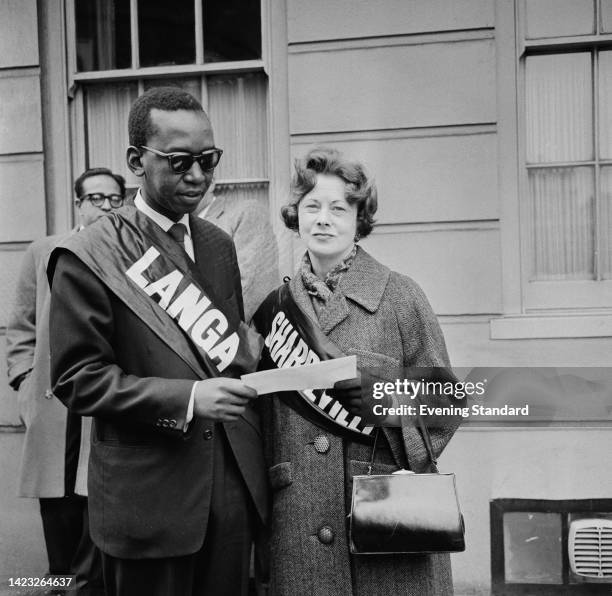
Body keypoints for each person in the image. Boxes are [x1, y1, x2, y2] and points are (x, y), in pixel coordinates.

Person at [47, 87, 267, 596]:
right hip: (148, 501)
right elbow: (77, 380)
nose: (197, 175)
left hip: (229, 494)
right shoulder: (90, 253)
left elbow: (224, 353)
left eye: (208, 160)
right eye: (179, 161)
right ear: (136, 162)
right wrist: (188, 399)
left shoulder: (218, 245)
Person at [252, 147, 462, 595]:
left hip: (388, 519)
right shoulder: (273, 310)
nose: (323, 219)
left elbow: (449, 404)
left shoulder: (401, 297)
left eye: (338, 207)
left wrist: (385, 399)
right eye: (312, 206)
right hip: (299, 522)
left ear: (358, 217)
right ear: (296, 215)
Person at [6, 166, 126, 595]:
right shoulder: (46, 251)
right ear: (79, 203)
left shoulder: (127, 256)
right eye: (97, 198)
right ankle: (60, 586)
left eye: (116, 198)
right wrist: (23, 384)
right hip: (53, 407)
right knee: (59, 515)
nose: (107, 207)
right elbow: (20, 326)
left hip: (104, 406)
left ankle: (86, 588)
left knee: (100, 514)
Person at [198, 181, 280, 322]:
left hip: (230, 335)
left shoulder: (245, 212)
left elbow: (249, 289)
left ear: (211, 182)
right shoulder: (171, 230)